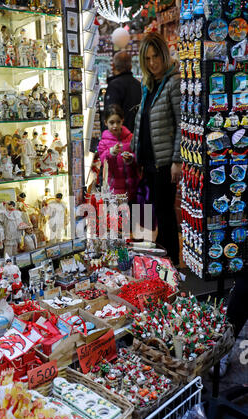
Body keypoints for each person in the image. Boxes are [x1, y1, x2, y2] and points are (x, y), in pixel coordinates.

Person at [131, 32, 182, 266]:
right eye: (148, 58)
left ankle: (170, 263)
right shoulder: (148, 85)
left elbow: (182, 123)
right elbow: (143, 121)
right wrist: (135, 152)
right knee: (153, 213)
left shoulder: (173, 82)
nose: (152, 63)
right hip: (149, 162)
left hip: (164, 162)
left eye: (156, 57)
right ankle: (160, 263)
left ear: (163, 55)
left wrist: (177, 160)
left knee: (165, 214)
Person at [97, 104, 140, 205]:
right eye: (111, 123)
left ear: (122, 121)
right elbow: (104, 161)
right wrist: (110, 153)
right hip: (115, 190)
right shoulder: (103, 142)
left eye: (118, 122)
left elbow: (137, 155)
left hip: (133, 187)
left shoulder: (130, 138)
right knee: (119, 219)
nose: (115, 126)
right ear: (106, 122)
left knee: (135, 217)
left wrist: (131, 158)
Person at [104, 50, 141, 133]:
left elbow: (111, 115)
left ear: (113, 66)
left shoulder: (114, 86)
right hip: (136, 136)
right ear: (131, 66)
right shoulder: (139, 85)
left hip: (119, 138)